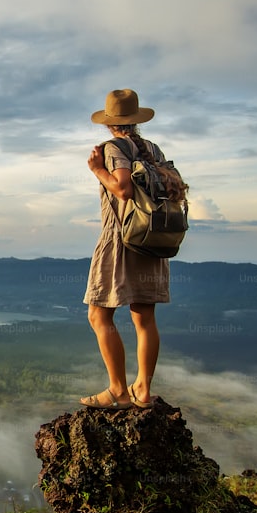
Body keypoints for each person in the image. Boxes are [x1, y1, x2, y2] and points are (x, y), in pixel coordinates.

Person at [80, 88, 179, 410]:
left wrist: (97, 170)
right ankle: (143, 390)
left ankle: (118, 390)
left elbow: (121, 189)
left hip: (121, 237)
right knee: (144, 316)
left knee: (98, 314)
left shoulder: (112, 149)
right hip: (152, 237)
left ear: (109, 123)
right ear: (136, 120)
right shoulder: (152, 149)